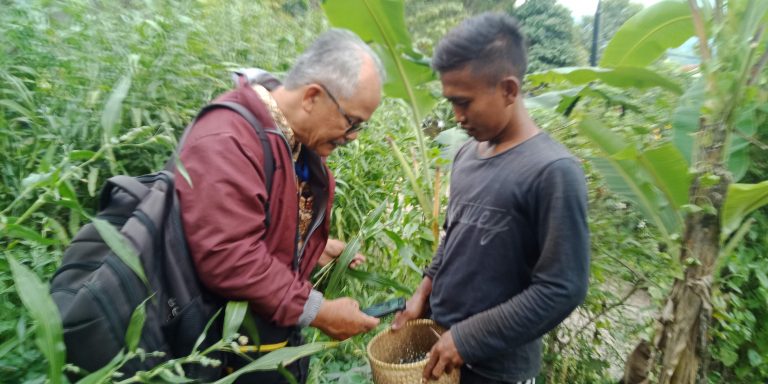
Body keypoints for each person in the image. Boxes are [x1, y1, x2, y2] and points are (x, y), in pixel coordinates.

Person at [174, 29, 384, 383]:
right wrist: (318, 311)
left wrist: (310, 248)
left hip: (264, 339)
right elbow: (228, 254)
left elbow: (257, 223)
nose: (352, 138)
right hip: (222, 349)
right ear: (312, 97)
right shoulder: (228, 138)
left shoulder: (291, 140)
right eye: (352, 123)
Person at [392, 13, 590, 384]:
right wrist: (424, 290)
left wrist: (468, 338)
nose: (457, 116)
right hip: (443, 348)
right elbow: (455, 235)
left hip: (498, 371)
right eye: (451, 101)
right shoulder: (467, 154)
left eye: (464, 102)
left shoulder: (553, 171)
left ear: (509, 90)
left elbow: (563, 287)